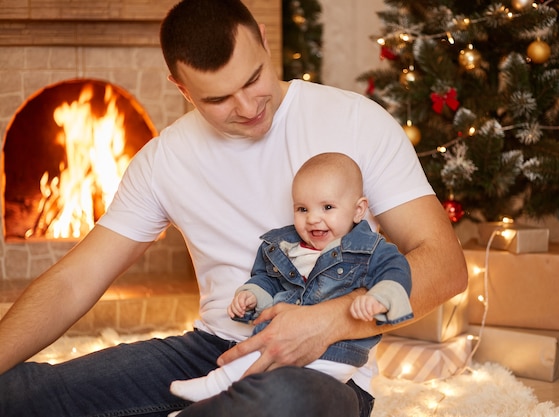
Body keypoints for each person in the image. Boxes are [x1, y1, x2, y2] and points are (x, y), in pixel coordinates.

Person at [0, 0, 468, 416]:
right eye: (219, 98)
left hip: (322, 367)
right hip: (212, 349)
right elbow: (73, 281)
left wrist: (329, 321)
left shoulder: (355, 121)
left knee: (282, 403)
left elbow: (445, 265)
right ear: (181, 88)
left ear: (263, 41)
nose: (247, 107)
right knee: (20, 393)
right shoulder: (166, 159)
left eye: (253, 78)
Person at [170, 152, 414, 403]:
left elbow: (395, 268)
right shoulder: (286, 248)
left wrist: (380, 297)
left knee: (261, 377)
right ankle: (208, 401)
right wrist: (253, 295)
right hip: (280, 341)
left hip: (337, 354)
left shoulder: (367, 249)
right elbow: (267, 278)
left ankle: (216, 385)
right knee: (255, 368)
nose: (312, 218)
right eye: (302, 209)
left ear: (358, 210)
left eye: (327, 207)